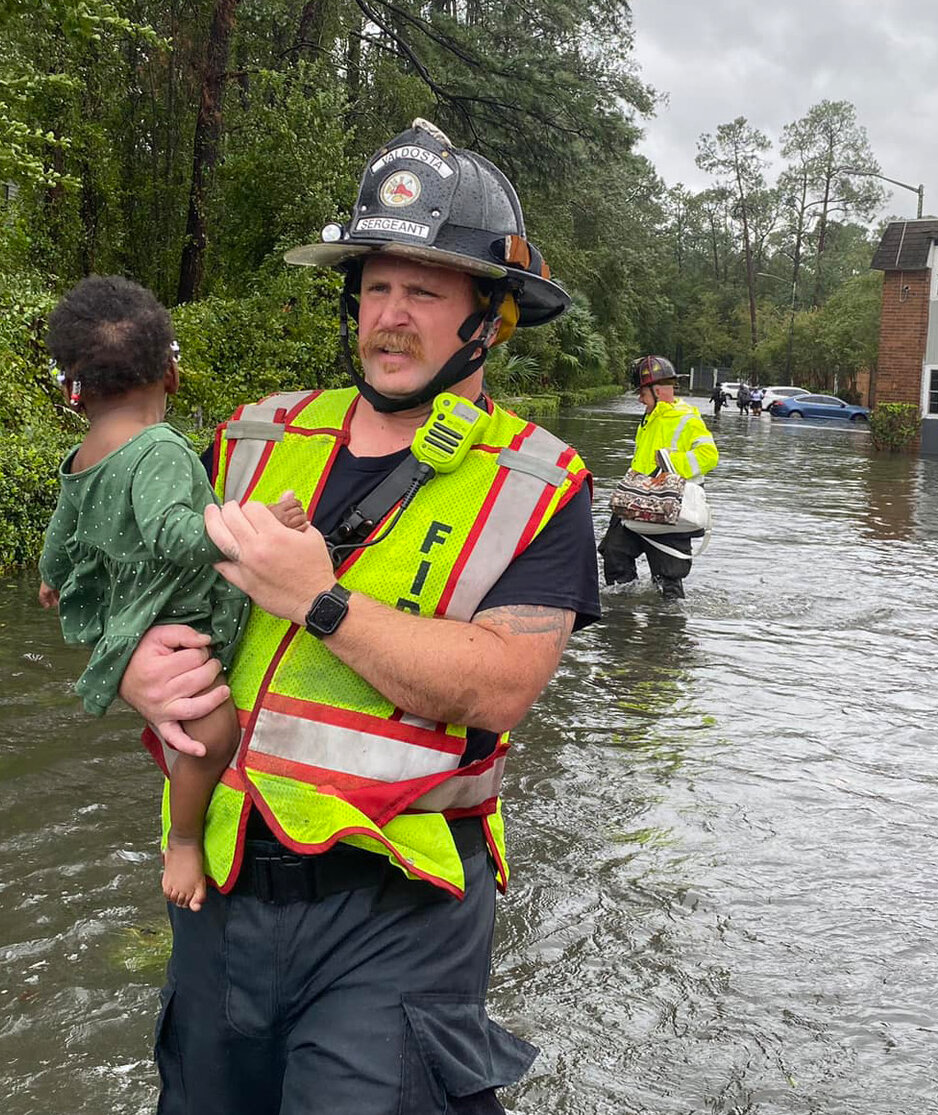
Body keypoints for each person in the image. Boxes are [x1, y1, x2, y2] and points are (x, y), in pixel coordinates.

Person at [117, 119, 600, 1115]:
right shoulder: (251, 436)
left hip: (398, 911)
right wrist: (133, 663)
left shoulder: (539, 482)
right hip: (220, 886)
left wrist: (319, 601)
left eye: (423, 290)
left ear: (490, 319)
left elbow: (502, 679)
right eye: (375, 286)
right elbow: (152, 600)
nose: (390, 313)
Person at [37, 276, 307, 913]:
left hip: (125, 608)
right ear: (170, 373)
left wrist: (51, 574)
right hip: (169, 605)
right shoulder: (157, 447)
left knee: (193, 725)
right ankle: (183, 839)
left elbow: (62, 524)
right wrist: (258, 523)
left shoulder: (85, 453)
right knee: (214, 734)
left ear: (78, 396)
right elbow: (175, 537)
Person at [597, 355, 718, 599]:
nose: (640, 399)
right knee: (613, 552)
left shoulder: (687, 418)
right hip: (638, 501)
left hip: (670, 507)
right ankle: (622, 615)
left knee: (668, 579)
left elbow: (709, 455)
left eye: (643, 393)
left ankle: (666, 628)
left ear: (659, 390)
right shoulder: (649, 418)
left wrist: (670, 467)